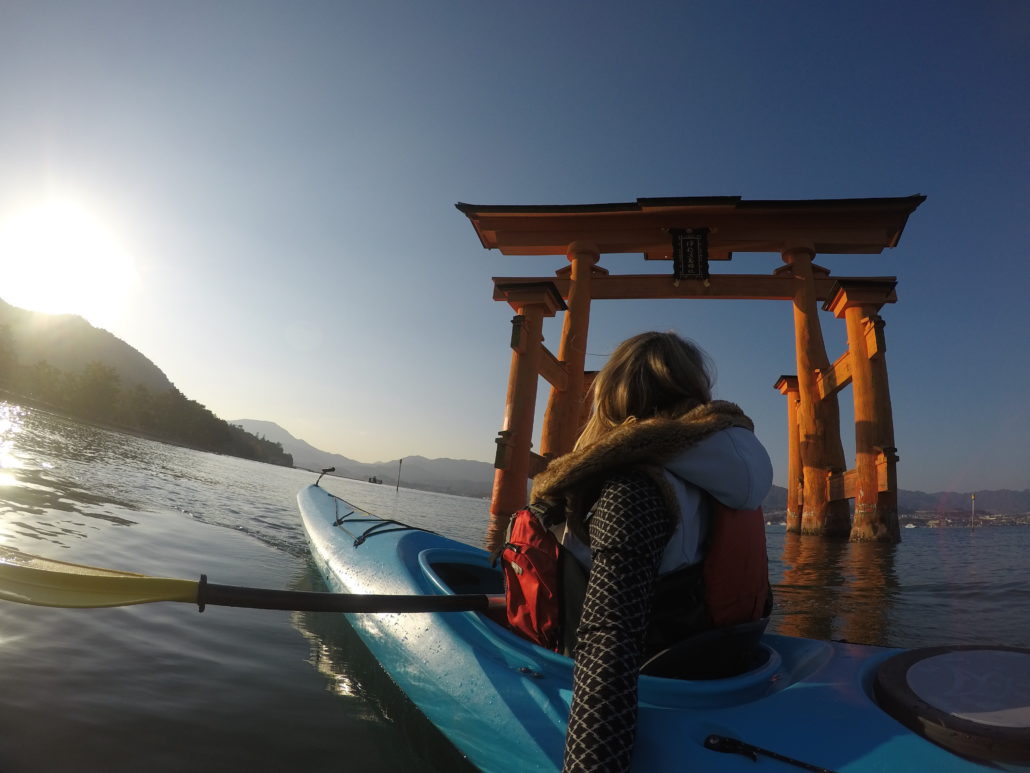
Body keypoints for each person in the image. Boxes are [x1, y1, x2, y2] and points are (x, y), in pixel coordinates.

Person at [528, 331, 773, 772]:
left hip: (657, 677)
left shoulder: (633, 489)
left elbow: (610, 639)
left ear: (615, 396)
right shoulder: (725, 471)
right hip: (721, 662)